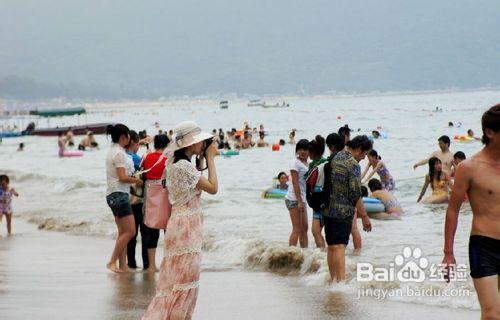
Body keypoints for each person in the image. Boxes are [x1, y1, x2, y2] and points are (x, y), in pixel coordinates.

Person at [143, 121, 218, 320]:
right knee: (184, 281)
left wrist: (204, 157)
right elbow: (213, 187)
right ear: (190, 144)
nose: (203, 144)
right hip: (185, 227)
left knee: (177, 280)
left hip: (182, 224)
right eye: (200, 141)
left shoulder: (176, 163)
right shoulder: (183, 166)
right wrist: (210, 158)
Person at [442, 104, 500, 320]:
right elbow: (453, 210)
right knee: (492, 314)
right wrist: (448, 253)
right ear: (490, 132)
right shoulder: (470, 167)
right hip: (484, 246)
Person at [324, 135, 372, 282]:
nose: (364, 158)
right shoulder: (352, 164)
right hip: (343, 211)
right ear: (358, 149)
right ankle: (341, 283)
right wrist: (364, 216)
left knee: (331, 246)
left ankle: (333, 281)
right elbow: (356, 194)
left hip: (327, 209)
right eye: (364, 154)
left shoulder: (336, 156)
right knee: (339, 247)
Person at [105, 124, 143, 273]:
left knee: (123, 232)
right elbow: (122, 177)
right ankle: (112, 261)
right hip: (119, 194)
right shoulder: (119, 154)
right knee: (130, 231)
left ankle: (122, 265)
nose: (129, 138)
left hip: (113, 194)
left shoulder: (113, 151)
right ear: (123, 137)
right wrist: (137, 181)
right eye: (128, 135)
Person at [140, 134, 170, 272]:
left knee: (151, 231)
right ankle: (168, 263)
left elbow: (142, 175)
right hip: (165, 197)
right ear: (167, 145)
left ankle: (152, 265)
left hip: (150, 196)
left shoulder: (146, 157)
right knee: (167, 231)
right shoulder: (168, 160)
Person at [125, 131, 148, 270]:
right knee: (144, 233)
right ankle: (147, 264)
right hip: (138, 200)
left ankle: (131, 263)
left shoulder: (121, 156)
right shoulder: (136, 159)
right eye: (138, 143)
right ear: (134, 143)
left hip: (126, 199)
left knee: (131, 234)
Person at [285, 139, 309, 248]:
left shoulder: (307, 163)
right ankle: (291, 253)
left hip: (302, 199)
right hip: (294, 199)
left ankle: (305, 252)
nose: (303, 152)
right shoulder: (295, 162)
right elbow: (295, 182)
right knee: (297, 228)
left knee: (304, 227)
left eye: (306, 149)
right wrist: (299, 201)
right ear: (297, 151)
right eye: (300, 149)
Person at [308, 135, 327, 249]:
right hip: (316, 201)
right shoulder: (312, 164)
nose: (307, 153)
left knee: (316, 231)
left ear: (313, 152)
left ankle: (324, 256)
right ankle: (323, 256)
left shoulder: (324, 163)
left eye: (309, 151)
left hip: (322, 201)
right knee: (316, 231)